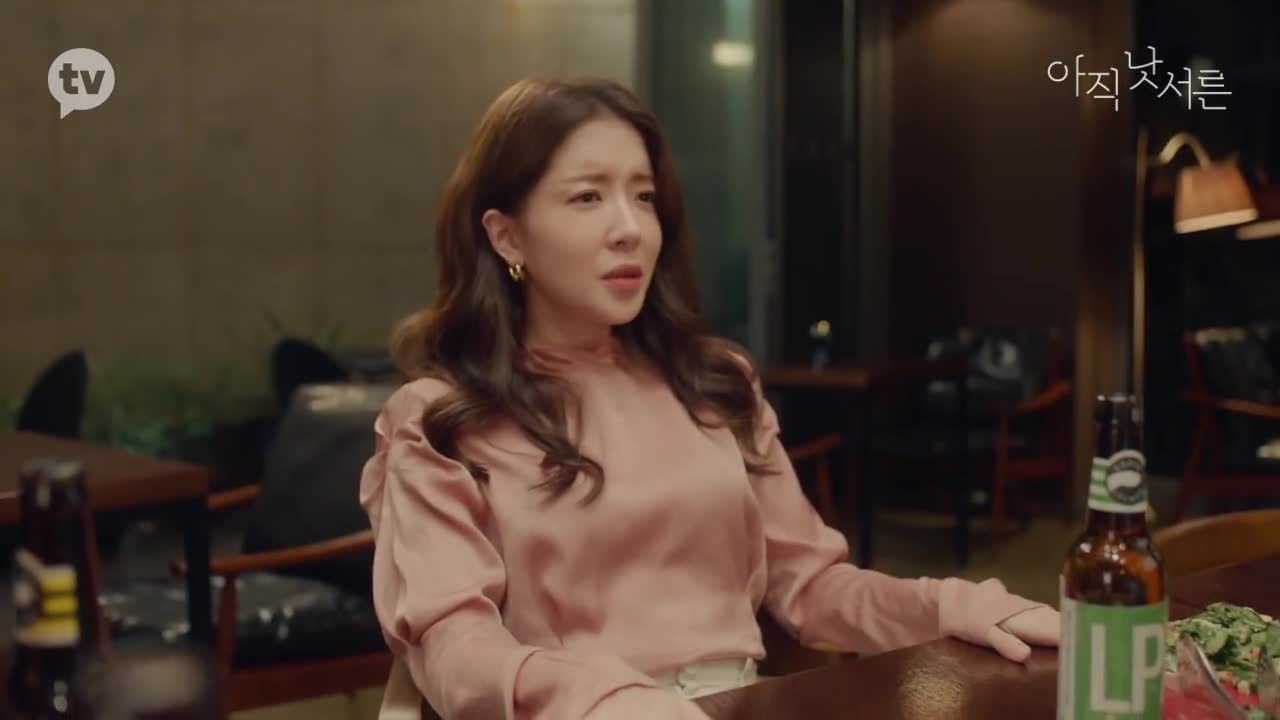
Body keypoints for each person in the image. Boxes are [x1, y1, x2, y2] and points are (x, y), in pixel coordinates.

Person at [359, 77, 1059, 720]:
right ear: (507, 235)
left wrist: (948, 609)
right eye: (587, 197)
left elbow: (810, 586)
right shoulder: (439, 418)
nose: (630, 227)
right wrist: (600, 699)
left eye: (643, 196)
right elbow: (453, 646)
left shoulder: (713, 381)